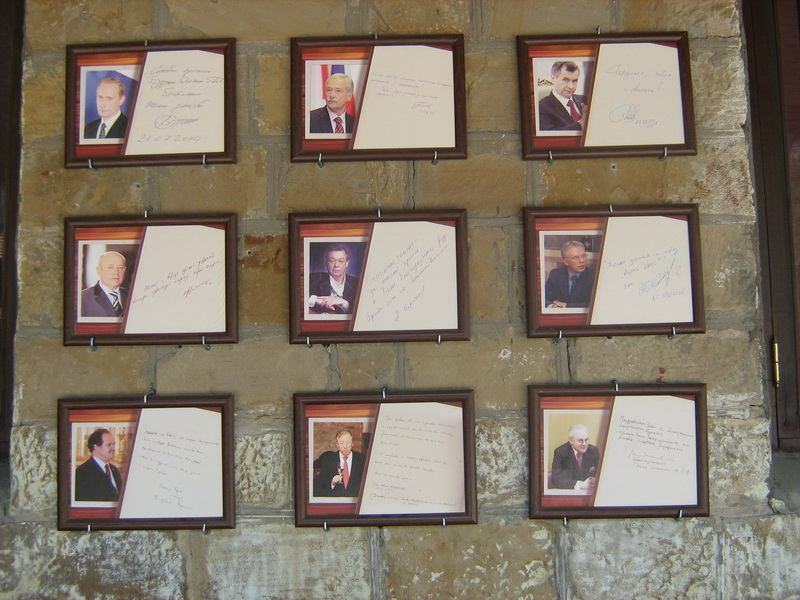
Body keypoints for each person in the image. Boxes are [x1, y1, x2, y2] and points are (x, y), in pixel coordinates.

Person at [308, 243, 360, 314]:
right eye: (332, 261)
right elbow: (300, 297)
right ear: (326, 262)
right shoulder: (314, 278)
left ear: (347, 263)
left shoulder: (357, 282)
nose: (336, 265)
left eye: (341, 261)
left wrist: (344, 303)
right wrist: (316, 300)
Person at [313, 429, 367, 497]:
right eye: (341, 443)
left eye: (348, 442)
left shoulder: (362, 459)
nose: (345, 446)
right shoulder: (328, 460)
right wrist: (332, 483)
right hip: (335, 500)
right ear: (337, 444)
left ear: (353, 443)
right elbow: (320, 486)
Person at [538, 61, 589, 131]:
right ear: (553, 78)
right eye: (565, 80)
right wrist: (580, 124)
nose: (571, 86)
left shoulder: (584, 99)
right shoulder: (541, 107)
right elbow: (549, 134)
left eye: (574, 81)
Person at [74, 428, 123, 502]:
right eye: (108, 445)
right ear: (96, 447)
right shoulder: (82, 473)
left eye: (113, 444)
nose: (113, 448)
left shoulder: (115, 470)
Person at [544, 241, 595, 308]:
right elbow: (544, 297)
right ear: (566, 261)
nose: (582, 261)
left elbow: (592, 303)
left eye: (583, 256)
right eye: (576, 258)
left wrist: (563, 305)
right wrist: (552, 305)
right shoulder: (555, 274)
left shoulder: (593, 276)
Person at [551, 424, 600, 490]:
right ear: (571, 440)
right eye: (580, 441)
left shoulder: (593, 451)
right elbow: (557, 479)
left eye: (586, 440)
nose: (584, 444)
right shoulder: (560, 452)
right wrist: (580, 485)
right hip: (569, 492)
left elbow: (600, 473)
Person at [80, 251, 128, 318]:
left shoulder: (132, 296)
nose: (116, 272)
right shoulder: (82, 298)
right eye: (110, 267)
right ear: (99, 270)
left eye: (120, 268)